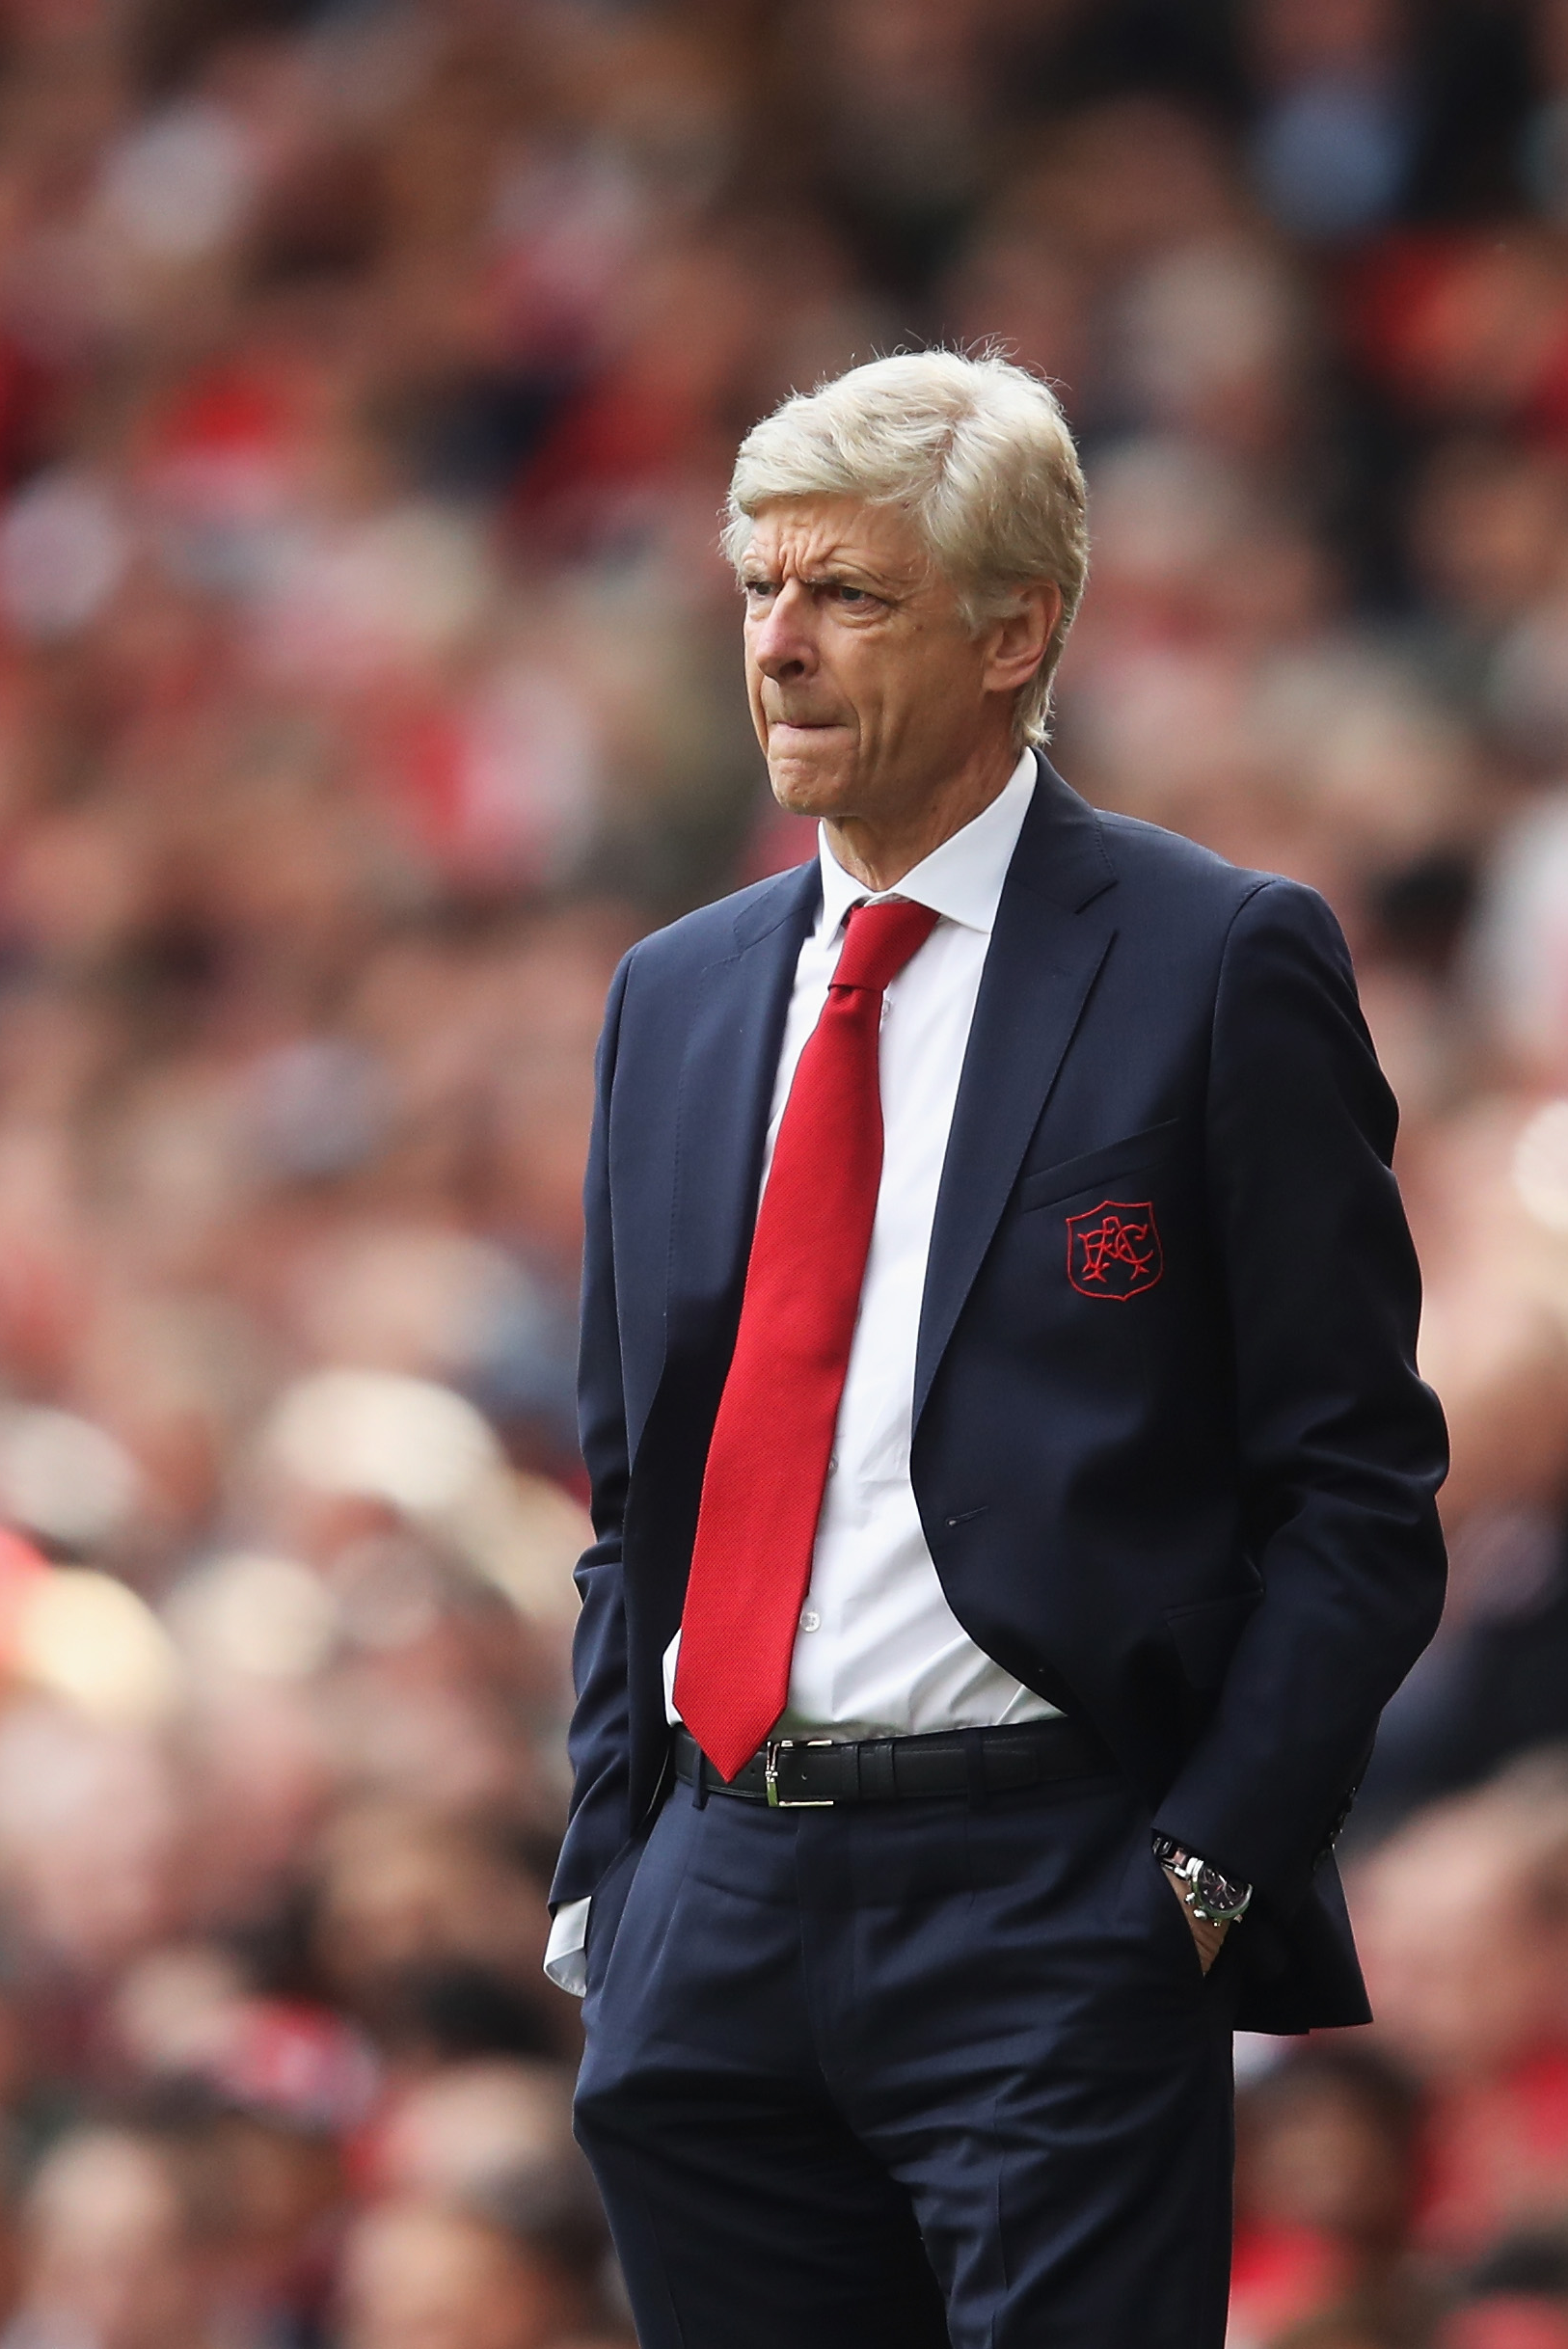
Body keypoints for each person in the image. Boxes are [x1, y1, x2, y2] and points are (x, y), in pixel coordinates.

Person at [549, 349, 1449, 2347]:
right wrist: (612, 1872)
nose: (779, 646)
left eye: (848, 595)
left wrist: (1199, 1872)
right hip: (716, 1901)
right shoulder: (673, 999)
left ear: (1013, 630)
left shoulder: (1221, 960)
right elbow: (640, 1502)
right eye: (760, 589)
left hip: (1055, 1891)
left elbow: (1359, 1493)